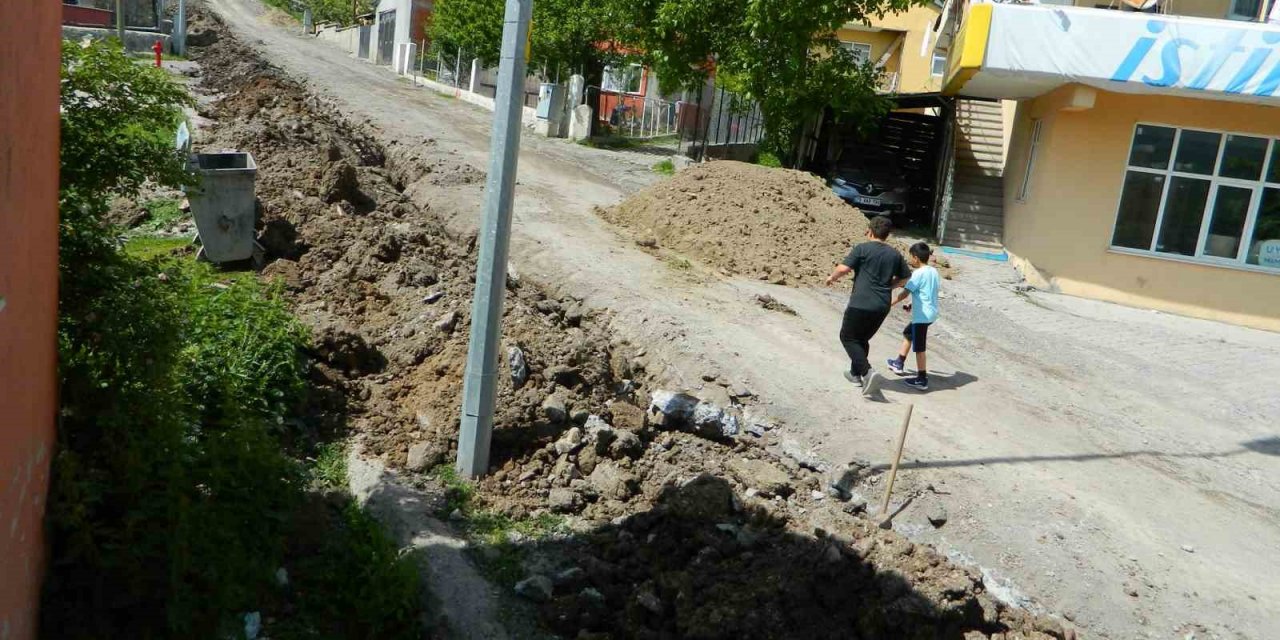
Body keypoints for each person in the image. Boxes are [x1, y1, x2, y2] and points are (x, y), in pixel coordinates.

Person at [825, 216, 911, 397]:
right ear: (887, 235)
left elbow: (843, 269)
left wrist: (831, 277)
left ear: (870, 231)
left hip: (861, 302)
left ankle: (867, 372)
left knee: (847, 337)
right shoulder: (894, 254)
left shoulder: (862, 248)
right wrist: (890, 286)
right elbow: (905, 278)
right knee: (861, 339)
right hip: (881, 305)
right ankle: (855, 374)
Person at [887, 242, 940, 391]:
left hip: (922, 316)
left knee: (920, 348)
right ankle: (899, 362)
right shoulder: (933, 271)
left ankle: (922, 379)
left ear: (916, 258)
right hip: (930, 313)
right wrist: (912, 304)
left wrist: (890, 303)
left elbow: (905, 293)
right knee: (908, 334)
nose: (909, 259)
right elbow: (926, 292)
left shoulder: (917, 274)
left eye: (910, 256)